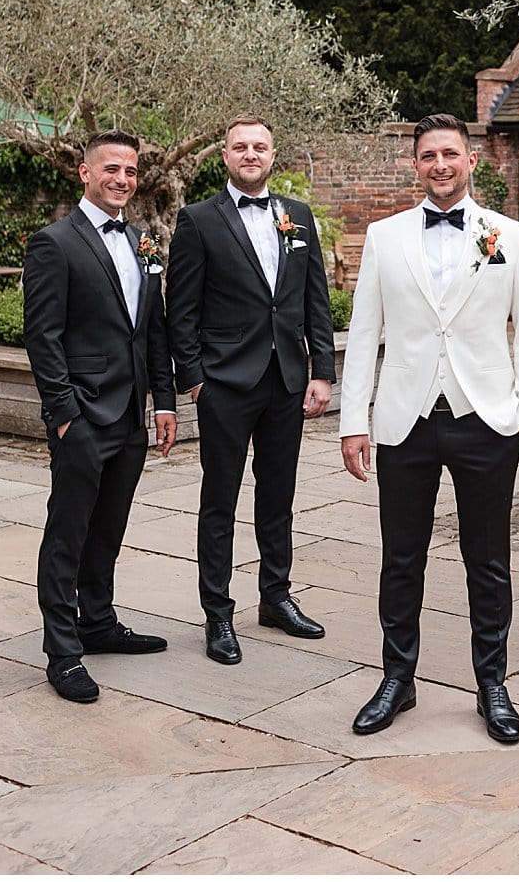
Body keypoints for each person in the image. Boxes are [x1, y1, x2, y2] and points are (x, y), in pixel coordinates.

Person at [339, 113, 519, 743]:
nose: (439, 165)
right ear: (415, 163)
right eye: (428, 155)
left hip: (486, 421)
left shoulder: (509, 235)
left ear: (470, 161)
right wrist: (356, 422)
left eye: (449, 154)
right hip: (404, 421)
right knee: (401, 559)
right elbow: (365, 334)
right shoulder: (384, 236)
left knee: (488, 561)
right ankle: (397, 679)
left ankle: (493, 684)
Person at [165, 114, 335, 664]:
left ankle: (275, 597)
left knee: (278, 496)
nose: (250, 154)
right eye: (240, 147)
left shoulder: (298, 216)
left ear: (272, 153)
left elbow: (315, 302)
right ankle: (218, 613)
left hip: (287, 379)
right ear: (225, 156)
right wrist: (193, 381)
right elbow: (180, 310)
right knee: (219, 501)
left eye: (259, 146)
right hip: (224, 384)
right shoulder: (197, 220)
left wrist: (322, 371)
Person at [22, 129, 177, 704]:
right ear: (85, 173)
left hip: (131, 416)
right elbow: (43, 336)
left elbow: (152, 330)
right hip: (82, 418)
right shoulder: (54, 243)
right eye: (111, 168)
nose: (122, 179)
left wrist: (163, 402)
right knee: (68, 534)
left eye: (131, 171)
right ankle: (62, 651)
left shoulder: (143, 241)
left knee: (108, 530)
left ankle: (99, 621)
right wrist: (65, 418)